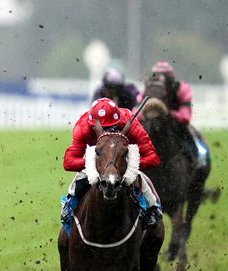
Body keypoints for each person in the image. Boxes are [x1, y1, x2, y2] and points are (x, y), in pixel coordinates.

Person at [61, 98, 162, 229]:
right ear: (93, 125)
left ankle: (152, 209)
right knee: (81, 177)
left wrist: (127, 164)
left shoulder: (130, 122)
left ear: (119, 122)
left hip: (124, 157)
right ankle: (67, 210)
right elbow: (68, 162)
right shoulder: (83, 127)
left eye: (111, 128)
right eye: (102, 129)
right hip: (97, 159)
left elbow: (153, 158)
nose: (107, 133)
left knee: (138, 177)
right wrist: (96, 162)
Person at [146, 61, 208, 166]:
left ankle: (196, 161)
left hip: (175, 125)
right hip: (153, 123)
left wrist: (167, 113)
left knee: (188, 142)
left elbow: (185, 117)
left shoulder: (181, 88)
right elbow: (137, 112)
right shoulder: (149, 89)